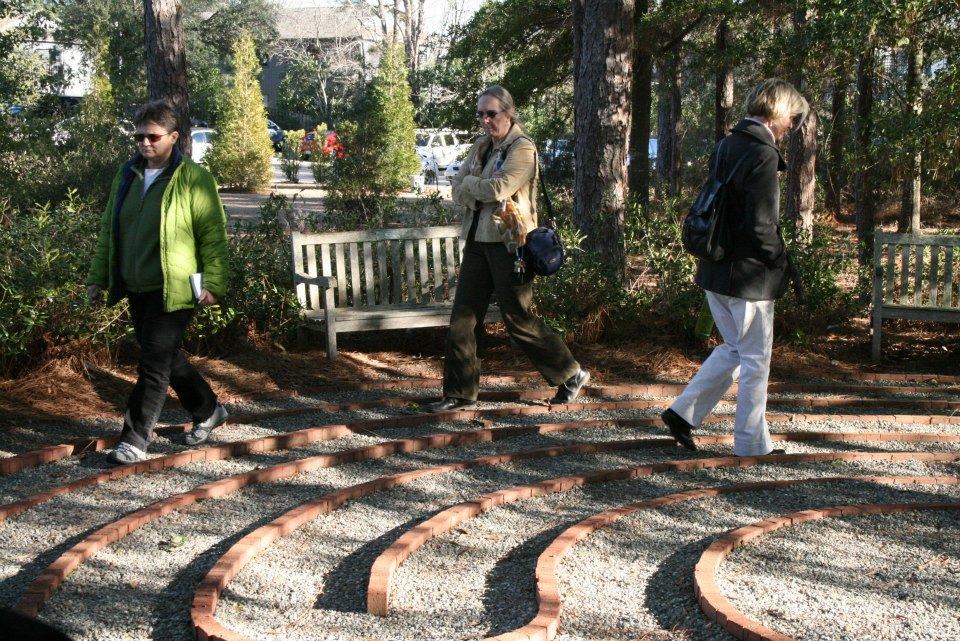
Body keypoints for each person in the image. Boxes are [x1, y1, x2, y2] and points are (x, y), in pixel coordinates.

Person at [661, 78, 808, 456]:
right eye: (792, 117)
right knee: (755, 359)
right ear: (778, 113)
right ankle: (751, 445)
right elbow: (761, 226)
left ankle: (683, 413)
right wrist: (780, 260)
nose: (792, 126)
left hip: (715, 268)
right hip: (748, 278)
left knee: (734, 348)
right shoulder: (763, 154)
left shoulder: (727, 143)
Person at [427, 85, 589, 413]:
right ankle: (459, 394)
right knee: (463, 318)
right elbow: (457, 188)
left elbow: (499, 187)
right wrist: (474, 188)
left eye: (491, 113)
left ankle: (570, 373)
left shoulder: (523, 148)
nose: (485, 120)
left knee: (518, 319)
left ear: (508, 113)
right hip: (477, 241)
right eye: (481, 114)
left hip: (510, 247)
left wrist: (470, 186)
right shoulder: (482, 147)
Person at [86, 99, 230, 464]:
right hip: (137, 284)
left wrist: (214, 281)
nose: (145, 144)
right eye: (139, 138)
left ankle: (134, 440)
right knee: (165, 357)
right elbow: (109, 230)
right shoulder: (127, 175)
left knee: (152, 364)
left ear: (174, 137)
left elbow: (213, 235)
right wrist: (98, 277)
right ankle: (208, 408)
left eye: (152, 136)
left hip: (177, 288)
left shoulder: (194, 179)